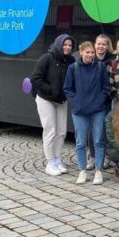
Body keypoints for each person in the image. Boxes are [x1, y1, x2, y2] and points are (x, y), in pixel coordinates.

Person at [64, 41, 111, 186]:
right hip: (80, 111)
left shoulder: (100, 67)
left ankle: (98, 170)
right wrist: (77, 101)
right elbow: (67, 89)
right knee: (80, 142)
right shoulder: (73, 68)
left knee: (98, 141)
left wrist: (100, 101)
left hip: (97, 110)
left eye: (92, 52)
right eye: (87, 52)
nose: (90, 55)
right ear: (81, 52)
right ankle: (82, 170)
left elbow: (106, 87)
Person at [30, 34, 75, 176]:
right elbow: (35, 78)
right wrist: (51, 90)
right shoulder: (47, 58)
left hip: (61, 100)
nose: (67, 47)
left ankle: (57, 159)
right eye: (65, 45)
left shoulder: (71, 61)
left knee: (61, 131)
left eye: (70, 45)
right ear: (58, 44)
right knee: (50, 130)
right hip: (46, 99)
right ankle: (50, 163)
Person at [87, 33, 116, 170]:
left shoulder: (113, 60)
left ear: (108, 46)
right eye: (99, 43)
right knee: (91, 129)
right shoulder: (89, 59)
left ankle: (105, 156)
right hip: (90, 101)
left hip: (106, 100)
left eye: (104, 44)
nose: (101, 46)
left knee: (105, 128)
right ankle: (92, 156)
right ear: (95, 44)